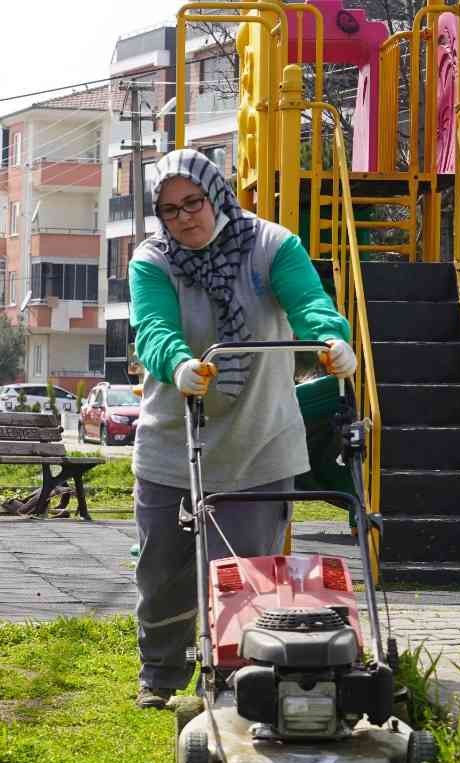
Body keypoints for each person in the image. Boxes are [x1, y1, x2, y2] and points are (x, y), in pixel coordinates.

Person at [128, 149, 357, 709]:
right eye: (170, 209)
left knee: (248, 570)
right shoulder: (153, 259)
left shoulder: (272, 245)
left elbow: (309, 303)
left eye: (193, 202)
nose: (185, 218)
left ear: (216, 195)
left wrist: (331, 342)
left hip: (261, 438)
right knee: (163, 569)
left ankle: (240, 675)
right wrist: (179, 364)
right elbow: (152, 325)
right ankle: (160, 672)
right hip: (173, 440)